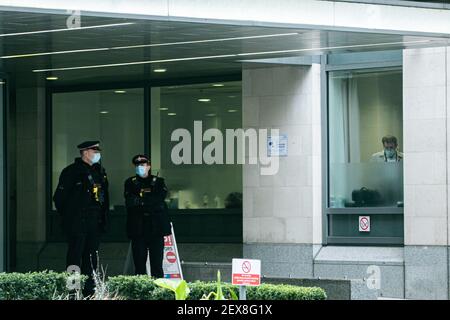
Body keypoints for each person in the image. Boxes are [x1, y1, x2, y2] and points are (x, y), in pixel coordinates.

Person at [53, 141, 109, 297]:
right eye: (94, 150)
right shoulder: (71, 172)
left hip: (94, 222)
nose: (97, 153)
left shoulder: (100, 171)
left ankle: (89, 291)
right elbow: (59, 199)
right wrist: (71, 217)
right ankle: (72, 291)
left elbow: (104, 198)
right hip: (77, 222)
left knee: (91, 259)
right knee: (74, 257)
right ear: (85, 152)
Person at [124, 154, 171, 277]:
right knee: (139, 266)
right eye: (138, 165)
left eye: (143, 165)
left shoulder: (159, 182)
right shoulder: (130, 183)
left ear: (149, 166)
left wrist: (141, 200)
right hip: (138, 229)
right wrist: (148, 201)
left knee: (157, 265)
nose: (140, 167)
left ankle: (157, 293)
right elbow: (130, 202)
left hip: (156, 229)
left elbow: (159, 200)